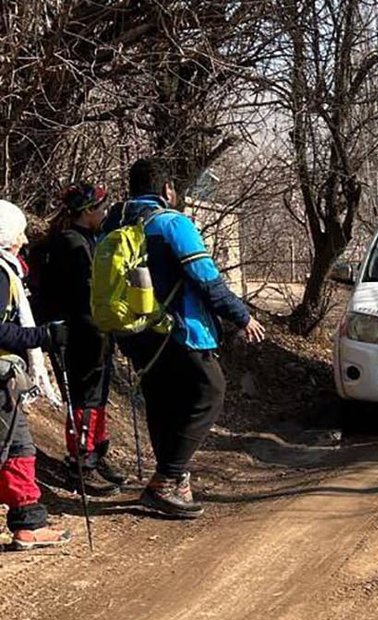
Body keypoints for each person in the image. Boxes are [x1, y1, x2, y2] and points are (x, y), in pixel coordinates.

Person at [106, 158, 266, 519]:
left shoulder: (112, 224)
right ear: (167, 191)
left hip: (133, 330)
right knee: (210, 390)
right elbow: (206, 279)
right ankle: (167, 478)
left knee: (162, 400)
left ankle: (174, 483)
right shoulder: (172, 223)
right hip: (179, 329)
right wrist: (242, 317)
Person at [42, 183, 124, 497]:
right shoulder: (71, 245)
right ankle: (81, 464)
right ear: (87, 211)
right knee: (84, 399)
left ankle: (96, 454)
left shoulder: (85, 239)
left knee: (96, 396)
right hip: (79, 334)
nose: (104, 213)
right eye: (101, 208)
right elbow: (82, 294)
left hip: (93, 331)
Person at [0, 199, 72, 550]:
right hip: (1, 380)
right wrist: (41, 337)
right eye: (19, 232)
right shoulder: (0, 274)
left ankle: (28, 523)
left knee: (16, 449)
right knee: (16, 449)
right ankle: (29, 523)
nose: (25, 239)